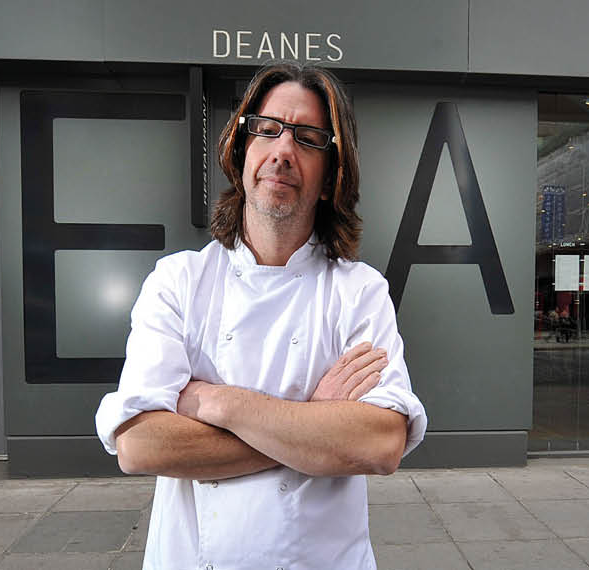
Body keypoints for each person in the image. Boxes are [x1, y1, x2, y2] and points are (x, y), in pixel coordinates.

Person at [94, 61, 427, 570]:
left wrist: (216, 401)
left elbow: (380, 442)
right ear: (241, 150)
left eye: (308, 137)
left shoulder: (359, 291)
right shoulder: (179, 282)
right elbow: (140, 444)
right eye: (267, 130)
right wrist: (314, 424)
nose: (283, 151)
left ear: (332, 173)